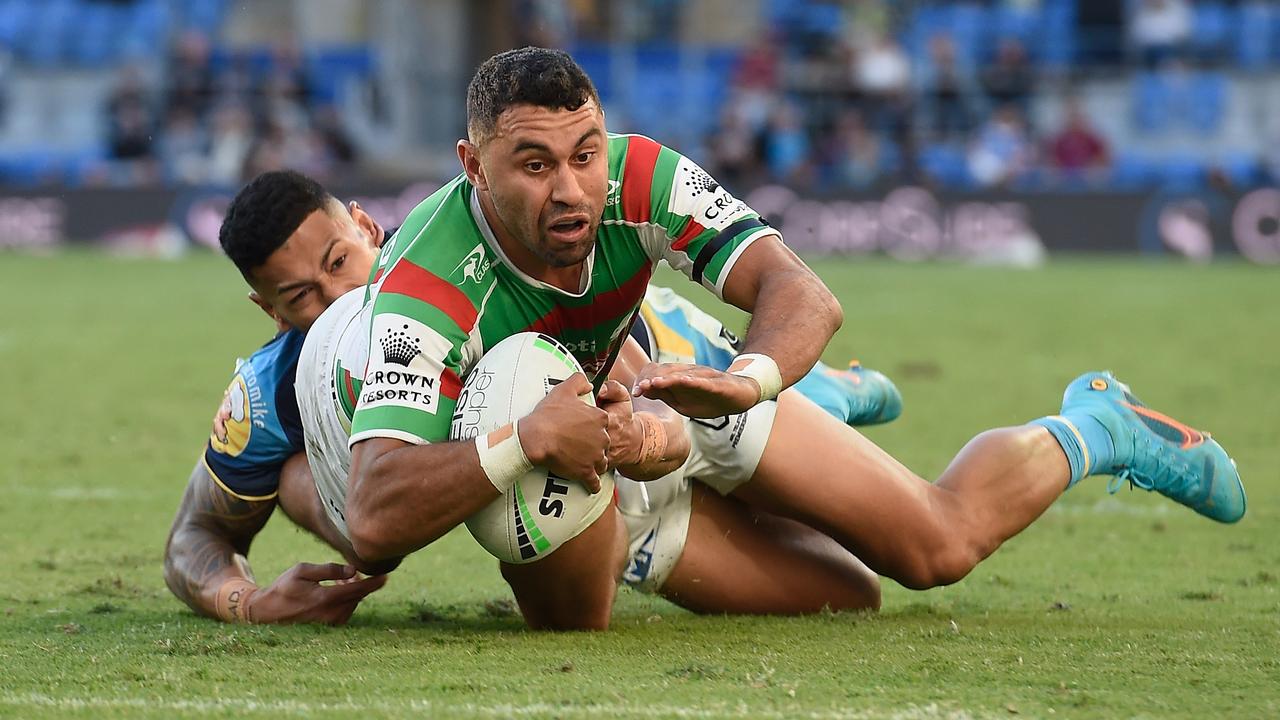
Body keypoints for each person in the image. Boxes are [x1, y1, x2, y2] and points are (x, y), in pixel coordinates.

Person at [323, 47, 1245, 631]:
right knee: (833, 599)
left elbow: (798, 290)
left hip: (683, 386)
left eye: (584, 152)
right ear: (471, 166)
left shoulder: (639, 178)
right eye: (532, 165)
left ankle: (1099, 427)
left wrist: (752, 377)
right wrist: (529, 438)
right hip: (580, 458)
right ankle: (782, 428)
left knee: (934, 551)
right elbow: (373, 515)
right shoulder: (424, 288)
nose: (570, 189)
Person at [164, 168, 900, 624]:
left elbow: (640, 396)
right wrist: (250, 603)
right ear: (269, 313)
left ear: (365, 227)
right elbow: (193, 539)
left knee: (895, 525)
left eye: (340, 262)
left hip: (672, 363)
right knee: (293, 480)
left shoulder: (452, 286)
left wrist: (649, 434)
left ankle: (839, 390)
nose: (335, 296)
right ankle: (622, 535)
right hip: (589, 470)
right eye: (301, 296)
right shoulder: (270, 396)